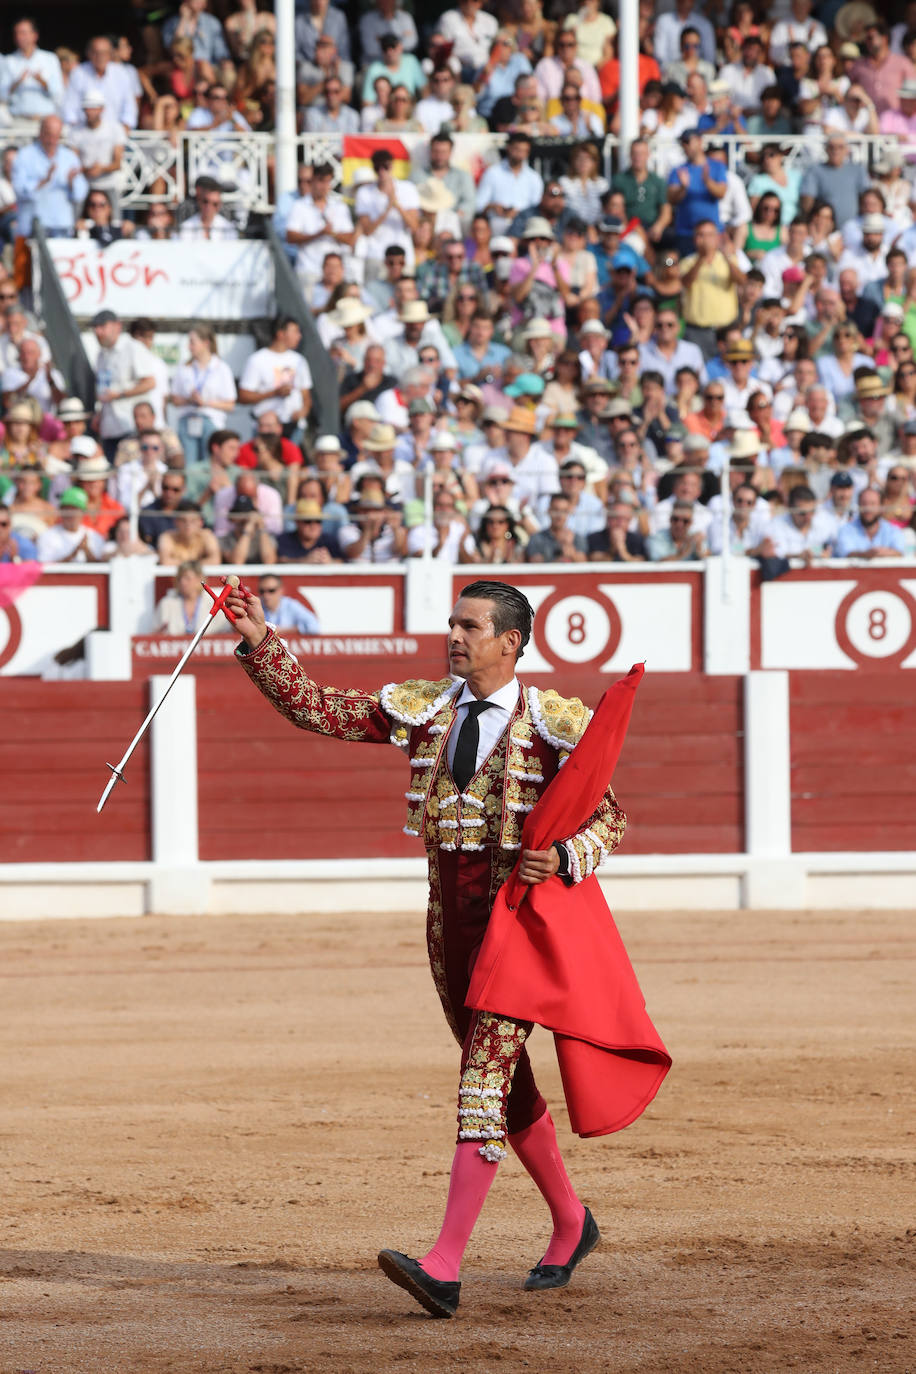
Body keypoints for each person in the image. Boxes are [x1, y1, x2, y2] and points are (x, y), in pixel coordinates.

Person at [227, 577, 666, 1316]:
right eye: (452, 624)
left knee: (480, 1081)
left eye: (470, 626)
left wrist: (562, 860)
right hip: (448, 928)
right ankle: (570, 1220)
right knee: (503, 1078)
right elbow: (318, 709)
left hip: (517, 926)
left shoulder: (554, 720)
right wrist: (260, 640)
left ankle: (445, 1262)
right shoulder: (426, 708)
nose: (454, 636)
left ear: (510, 642)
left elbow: (611, 818)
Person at [91, 310, 156, 460]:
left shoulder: (133, 348)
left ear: (117, 326)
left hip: (129, 425)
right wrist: (99, 413)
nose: (98, 332)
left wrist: (120, 395)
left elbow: (150, 382)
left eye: (102, 327)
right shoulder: (101, 355)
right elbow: (104, 390)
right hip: (108, 427)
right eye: (95, 328)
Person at [12, 115, 88, 238]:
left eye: (56, 136)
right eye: (48, 135)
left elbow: (80, 194)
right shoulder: (24, 155)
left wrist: (71, 183)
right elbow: (19, 190)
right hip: (31, 228)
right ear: (40, 133)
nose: (52, 140)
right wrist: (43, 181)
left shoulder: (69, 157)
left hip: (61, 226)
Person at [238, 316, 312, 436]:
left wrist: (302, 412)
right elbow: (243, 396)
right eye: (295, 332)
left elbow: (306, 395)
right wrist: (274, 393)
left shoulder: (299, 360)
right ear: (281, 334)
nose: (299, 336)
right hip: (266, 427)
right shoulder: (257, 360)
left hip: (293, 426)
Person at [154, 559, 232, 633]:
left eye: (187, 578)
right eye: (180, 578)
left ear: (199, 579)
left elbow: (225, 632)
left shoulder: (213, 603)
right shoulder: (166, 603)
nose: (182, 582)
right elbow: (155, 635)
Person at [832, 486, 907, 557]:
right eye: (864, 503)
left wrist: (881, 554)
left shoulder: (892, 530)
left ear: (881, 506)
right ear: (859, 505)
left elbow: (900, 553)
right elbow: (847, 553)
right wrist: (867, 555)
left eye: (872, 504)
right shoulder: (846, 530)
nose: (868, 508)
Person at [36, 487, 106, 562]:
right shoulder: (47, 536)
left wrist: (86, 551)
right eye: (66, 509)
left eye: (75, 510)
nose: (70, 514)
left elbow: (100, 567)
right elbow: (45, 567)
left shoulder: (95, 537)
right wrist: (73, 554)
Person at [257, 575, 321, 633]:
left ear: (280, 590)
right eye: (262, 591)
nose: (266, 595)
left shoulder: (290, 605)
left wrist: (286, 630)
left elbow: (314, 626)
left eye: (271, 590)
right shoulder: (257, 607)